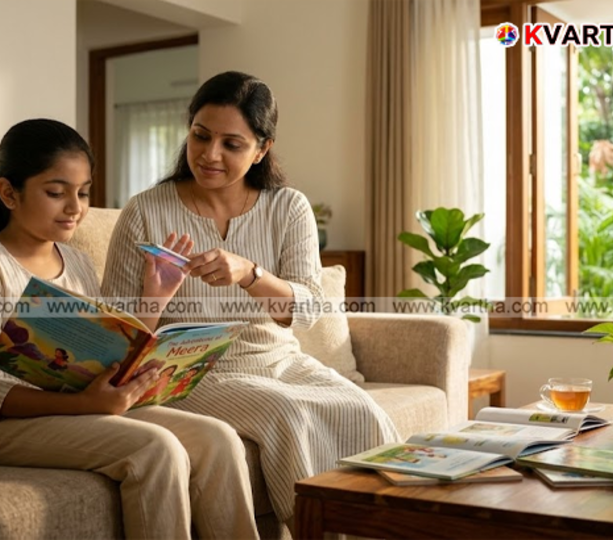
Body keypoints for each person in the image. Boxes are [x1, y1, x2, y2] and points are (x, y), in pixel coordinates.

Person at [102, 72, 399, 527]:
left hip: (278, 360)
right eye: (201, 136)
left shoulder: (288, 207)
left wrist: (250, 274)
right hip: (189, 372)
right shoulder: (145, 211)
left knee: (363, 411)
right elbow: (117, 332)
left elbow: (309, 310)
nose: (210, 154)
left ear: (262, 149)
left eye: (232, 144)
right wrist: (156, 296)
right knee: (288, 413)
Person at [0, 118, 258, 540]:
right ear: (8, 193)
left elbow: (110, 351)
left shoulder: (76, 262)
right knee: (156, 448)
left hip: (81, 404)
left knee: (218, 437)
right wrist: (87, 404)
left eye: (83, 192)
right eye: (56, 193)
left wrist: (156, 296)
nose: (75, 207)